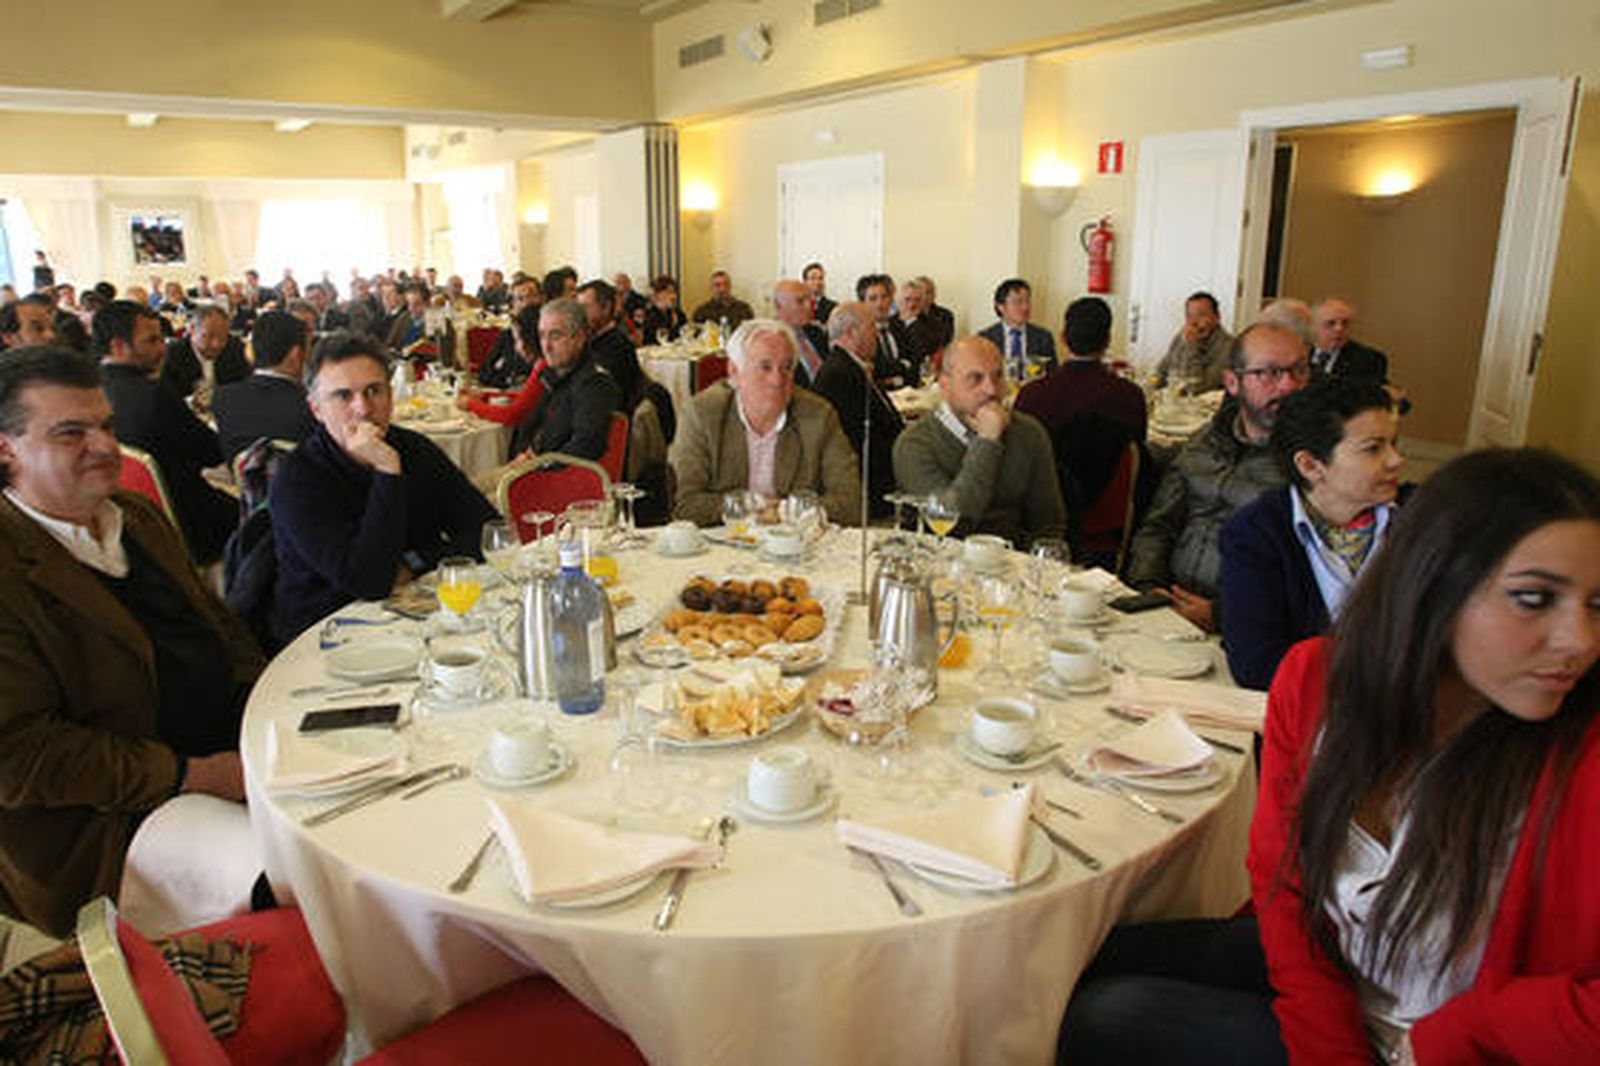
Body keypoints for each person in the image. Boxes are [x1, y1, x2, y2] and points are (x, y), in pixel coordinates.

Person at [1061, 447, 1600, 1066]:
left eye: (1597, 605)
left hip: (1452, 1048)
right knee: (1074, 959)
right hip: (1343, 972)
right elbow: (1284, 888)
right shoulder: (1317, 682)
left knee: (1105, 1018)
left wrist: (1472, 1029)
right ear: (1435, 583)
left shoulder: (1580, 758)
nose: (1580, 642)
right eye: (1535, 599)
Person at [0, 347, 260, 937]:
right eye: (71, 433)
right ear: (6, 448)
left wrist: (262, 710)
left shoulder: (135, 516)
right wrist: (196, 774)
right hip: (111, 819)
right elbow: (22, 758)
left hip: (224, 751)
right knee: (296, 876)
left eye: (107, 426)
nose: (104, 446)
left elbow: (216, 626)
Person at [268, 332, 496, 645]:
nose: (363, 409)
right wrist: (387, 471)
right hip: (325, 635)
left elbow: (487, 531)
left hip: (420, 622)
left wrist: (412, 563)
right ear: (316, 409)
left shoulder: (414, 449)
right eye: (343, 396)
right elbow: (370, 581)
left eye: (374, 391)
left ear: (391, 395)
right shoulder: (297, 478)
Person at [1217, 378, 1402, 690]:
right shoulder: (1255, 535)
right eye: (1373, 449)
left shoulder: (1419, 522)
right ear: (1310, 466)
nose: (1396, 460)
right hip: (1306, 721)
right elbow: (1256, 665)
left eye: (1394, 444)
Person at [1126, 321, 1309, 631]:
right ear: (1232, 382)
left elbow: (1311, 576)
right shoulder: (1204, 444)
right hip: (1167, 607)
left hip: (1249, 627)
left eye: (1299, 370)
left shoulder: (1315, 464)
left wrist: (1224, 615)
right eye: (1270, 373)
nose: (1289, 385)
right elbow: (1158, 525)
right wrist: (1147, 587)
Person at [669, 319, 861, 527]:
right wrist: (753, 507)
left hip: (797, 547)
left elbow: (851, 503)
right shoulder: (703, 415)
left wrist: (783, 511)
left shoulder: (818, 416)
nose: (777, 380)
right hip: (723, 546)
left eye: (787, 367)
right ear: (734, 372)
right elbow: (685, 504)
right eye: (765, 367)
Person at [96, 300, 237, 564]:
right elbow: (211, 452)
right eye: (152, 341)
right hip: (189, 519)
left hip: (137, 518)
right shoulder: (152, 394)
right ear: (118, 346)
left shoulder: (94, 388)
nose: (162, 349)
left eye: (162, 339)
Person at [892, 335, 1065, 548]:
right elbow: (953, 524)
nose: (992, 390)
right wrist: (987, 441)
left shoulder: (1029, 433)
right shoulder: (915, 443)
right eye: (975, 379)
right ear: (945, 386)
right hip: (942, 564)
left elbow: (1048, 525)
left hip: (1013, 567)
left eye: (998, 376)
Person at [1014, 296, 1148, 559]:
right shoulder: (1130, 397)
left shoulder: (1032, 396)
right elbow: (1138, 461)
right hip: (1107, 520)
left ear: (1063, 338)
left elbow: (1019, 463)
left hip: (1042, 520)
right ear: (1108, 340)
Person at [812, 301, 904, 519]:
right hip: (871, 488)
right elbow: (861, 440)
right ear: (852, 333)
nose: (877, 336)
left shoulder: (850, 366)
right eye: (872, 328)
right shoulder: (839, 374)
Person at [510, 298, 622, 461]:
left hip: (560, 479)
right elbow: (529, 426)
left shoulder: (594, 383)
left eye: (555, 336)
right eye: (542, 336)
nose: (546, 346)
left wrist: (538, 463)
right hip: (532, 468)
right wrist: (523, 454)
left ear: (580, 338)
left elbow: (586, 446)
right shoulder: (554, 374)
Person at [211, 310, 318, 461]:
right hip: (303, 482)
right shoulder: (314, 409)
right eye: (309, 349)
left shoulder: (222, 398)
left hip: (242, 483)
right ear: (296, 355)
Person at [159, 304, 250, 404]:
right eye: (209, 336)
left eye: (223, 337)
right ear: (192, 330)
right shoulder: (172, 356)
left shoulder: (236, 349)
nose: (216, 344)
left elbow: (244, 386)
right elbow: (168, 399)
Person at [576, 278, 643, 410]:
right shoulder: (592, 340)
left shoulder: (617, 345)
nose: (580, 315)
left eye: (585, 307)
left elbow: (597, 391)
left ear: (606, 307)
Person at [978, 278, 1056, 383]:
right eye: (1018, 302)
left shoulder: (1043, 337)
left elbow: (1053, 375)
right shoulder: (985, 338)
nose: (1025, 307)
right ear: (1000, 306)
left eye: (1027, 301)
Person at [1154, 291, 1232, 393]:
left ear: (1216, 318)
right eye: (1189, 316)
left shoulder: (1229, 347)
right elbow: (1161, 371)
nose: (1193, 322)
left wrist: (1192, 346)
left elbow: (1195, 388)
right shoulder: (1182, 337)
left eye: (1201, 315)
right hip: (1173, 401)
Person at [475, 274, 541, 390]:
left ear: (542, 298)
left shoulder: (548, 336)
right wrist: (507, 382)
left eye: (531, 296)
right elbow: (485, 371)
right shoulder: (507, 335)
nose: (526, 303)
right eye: (520, 299)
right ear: (512, 306)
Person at [1310, 296, 1388, 382]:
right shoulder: (1301, 353)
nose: (1339, 329)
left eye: (1345, 323)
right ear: (1313, 326)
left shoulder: (1369, 360)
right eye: (1331, 323)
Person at [859, 274, 916, 388]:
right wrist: (901, 366)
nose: (880, 304)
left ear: (891, 299)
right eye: (873, 299)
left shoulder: (899, 327)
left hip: (907, 396)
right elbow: (873, 373)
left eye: (884, 297)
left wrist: (893, 375)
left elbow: (914, 365)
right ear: (862, 303)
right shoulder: (860, 335)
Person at [772, 279, 828, 388]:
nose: (808, 306)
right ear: (779, 307)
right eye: (800, 301)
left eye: (809, 300)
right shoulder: (773, 340)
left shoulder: (817, 332)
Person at [690, 270, 755, 329]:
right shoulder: (702, 312)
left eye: (725, 284)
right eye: (717, 285)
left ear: (730, 286)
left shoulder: (744, 309)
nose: (722, 289)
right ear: (711, 288)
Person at [640, 275, 687, 344]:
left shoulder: (678, 313)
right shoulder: (648, 314)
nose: (673, 296)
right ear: (657, 294)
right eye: (669, 292)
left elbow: (685, 334)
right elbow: (653, 339)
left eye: (674, 292)